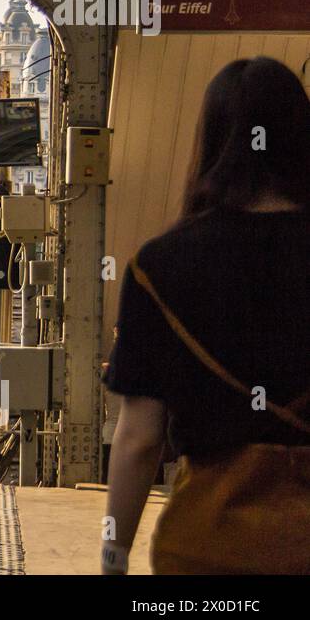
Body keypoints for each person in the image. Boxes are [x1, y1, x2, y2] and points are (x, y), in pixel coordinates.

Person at [102, 56, 310, 574]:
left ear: (212, 141)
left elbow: (140, 438)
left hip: (208, 547)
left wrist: (113, 556)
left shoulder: (160, 265)